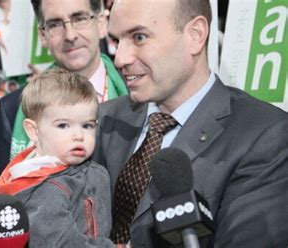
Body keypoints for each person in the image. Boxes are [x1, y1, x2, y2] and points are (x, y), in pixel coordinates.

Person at [93, 0, 288, 247]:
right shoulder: (102, 118)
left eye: (139, 37)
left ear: (195, 35)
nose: (120, 58)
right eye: (117, 41)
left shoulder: (265, 136)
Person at [0, 0, 128, 174]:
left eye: (80, 18)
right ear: (43, 36)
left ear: (102, 24)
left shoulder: (138, 95)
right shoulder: (13, 108)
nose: (70, 35)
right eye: (55, 24)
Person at [0, 68, 114, 247]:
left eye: (87, 125)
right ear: (33, 131)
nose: (78, 135)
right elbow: (63, 243)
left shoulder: (88, 170)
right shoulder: (44, 189)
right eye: (63, 125)